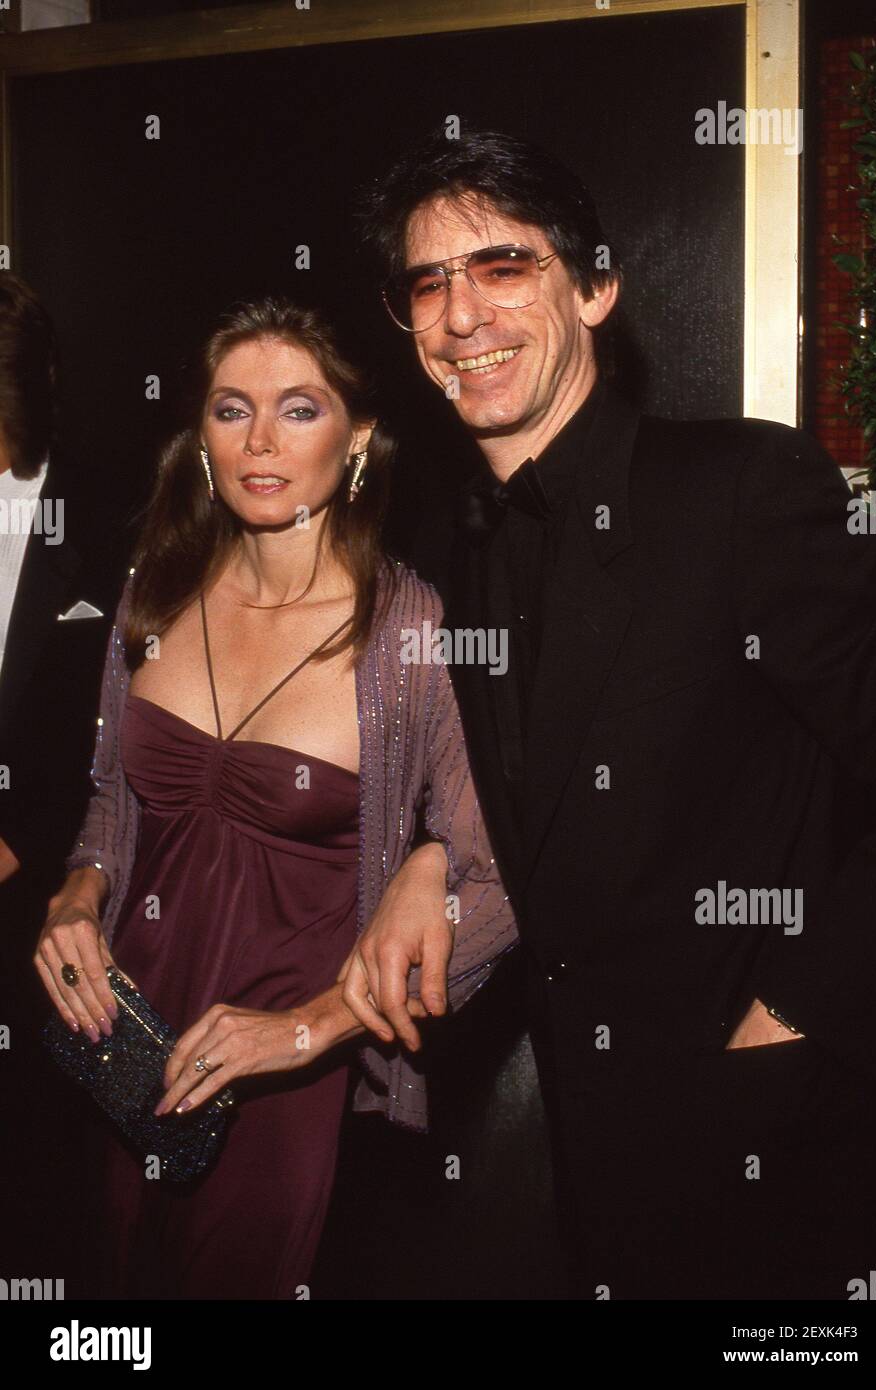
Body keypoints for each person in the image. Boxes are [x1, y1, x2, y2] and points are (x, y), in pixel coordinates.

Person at [342, 129, 876, 1299]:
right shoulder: (443, 545)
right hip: (577, 1148)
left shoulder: (742, 491)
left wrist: (794, 1010)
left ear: (594, 286)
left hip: (774, 1137)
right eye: (428, 284)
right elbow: (534, 781)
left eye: (501, 267)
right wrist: (433, 854)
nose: (460, 316)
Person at [34, 296, 516, 1300]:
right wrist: (79, 890)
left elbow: (496, 883)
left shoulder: (409, 636)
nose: (258, 441)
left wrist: (311, 1027)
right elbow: (112, 802)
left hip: (286, 1086)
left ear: (359, 438)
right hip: (121, 1043)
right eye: (229, 409)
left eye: (297, 410)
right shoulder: (155, 587)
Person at [0, 271, 122, 1284]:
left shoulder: (117, 515)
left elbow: (141, 742)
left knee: (41, 1179)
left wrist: (28, 854)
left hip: (43, 904)